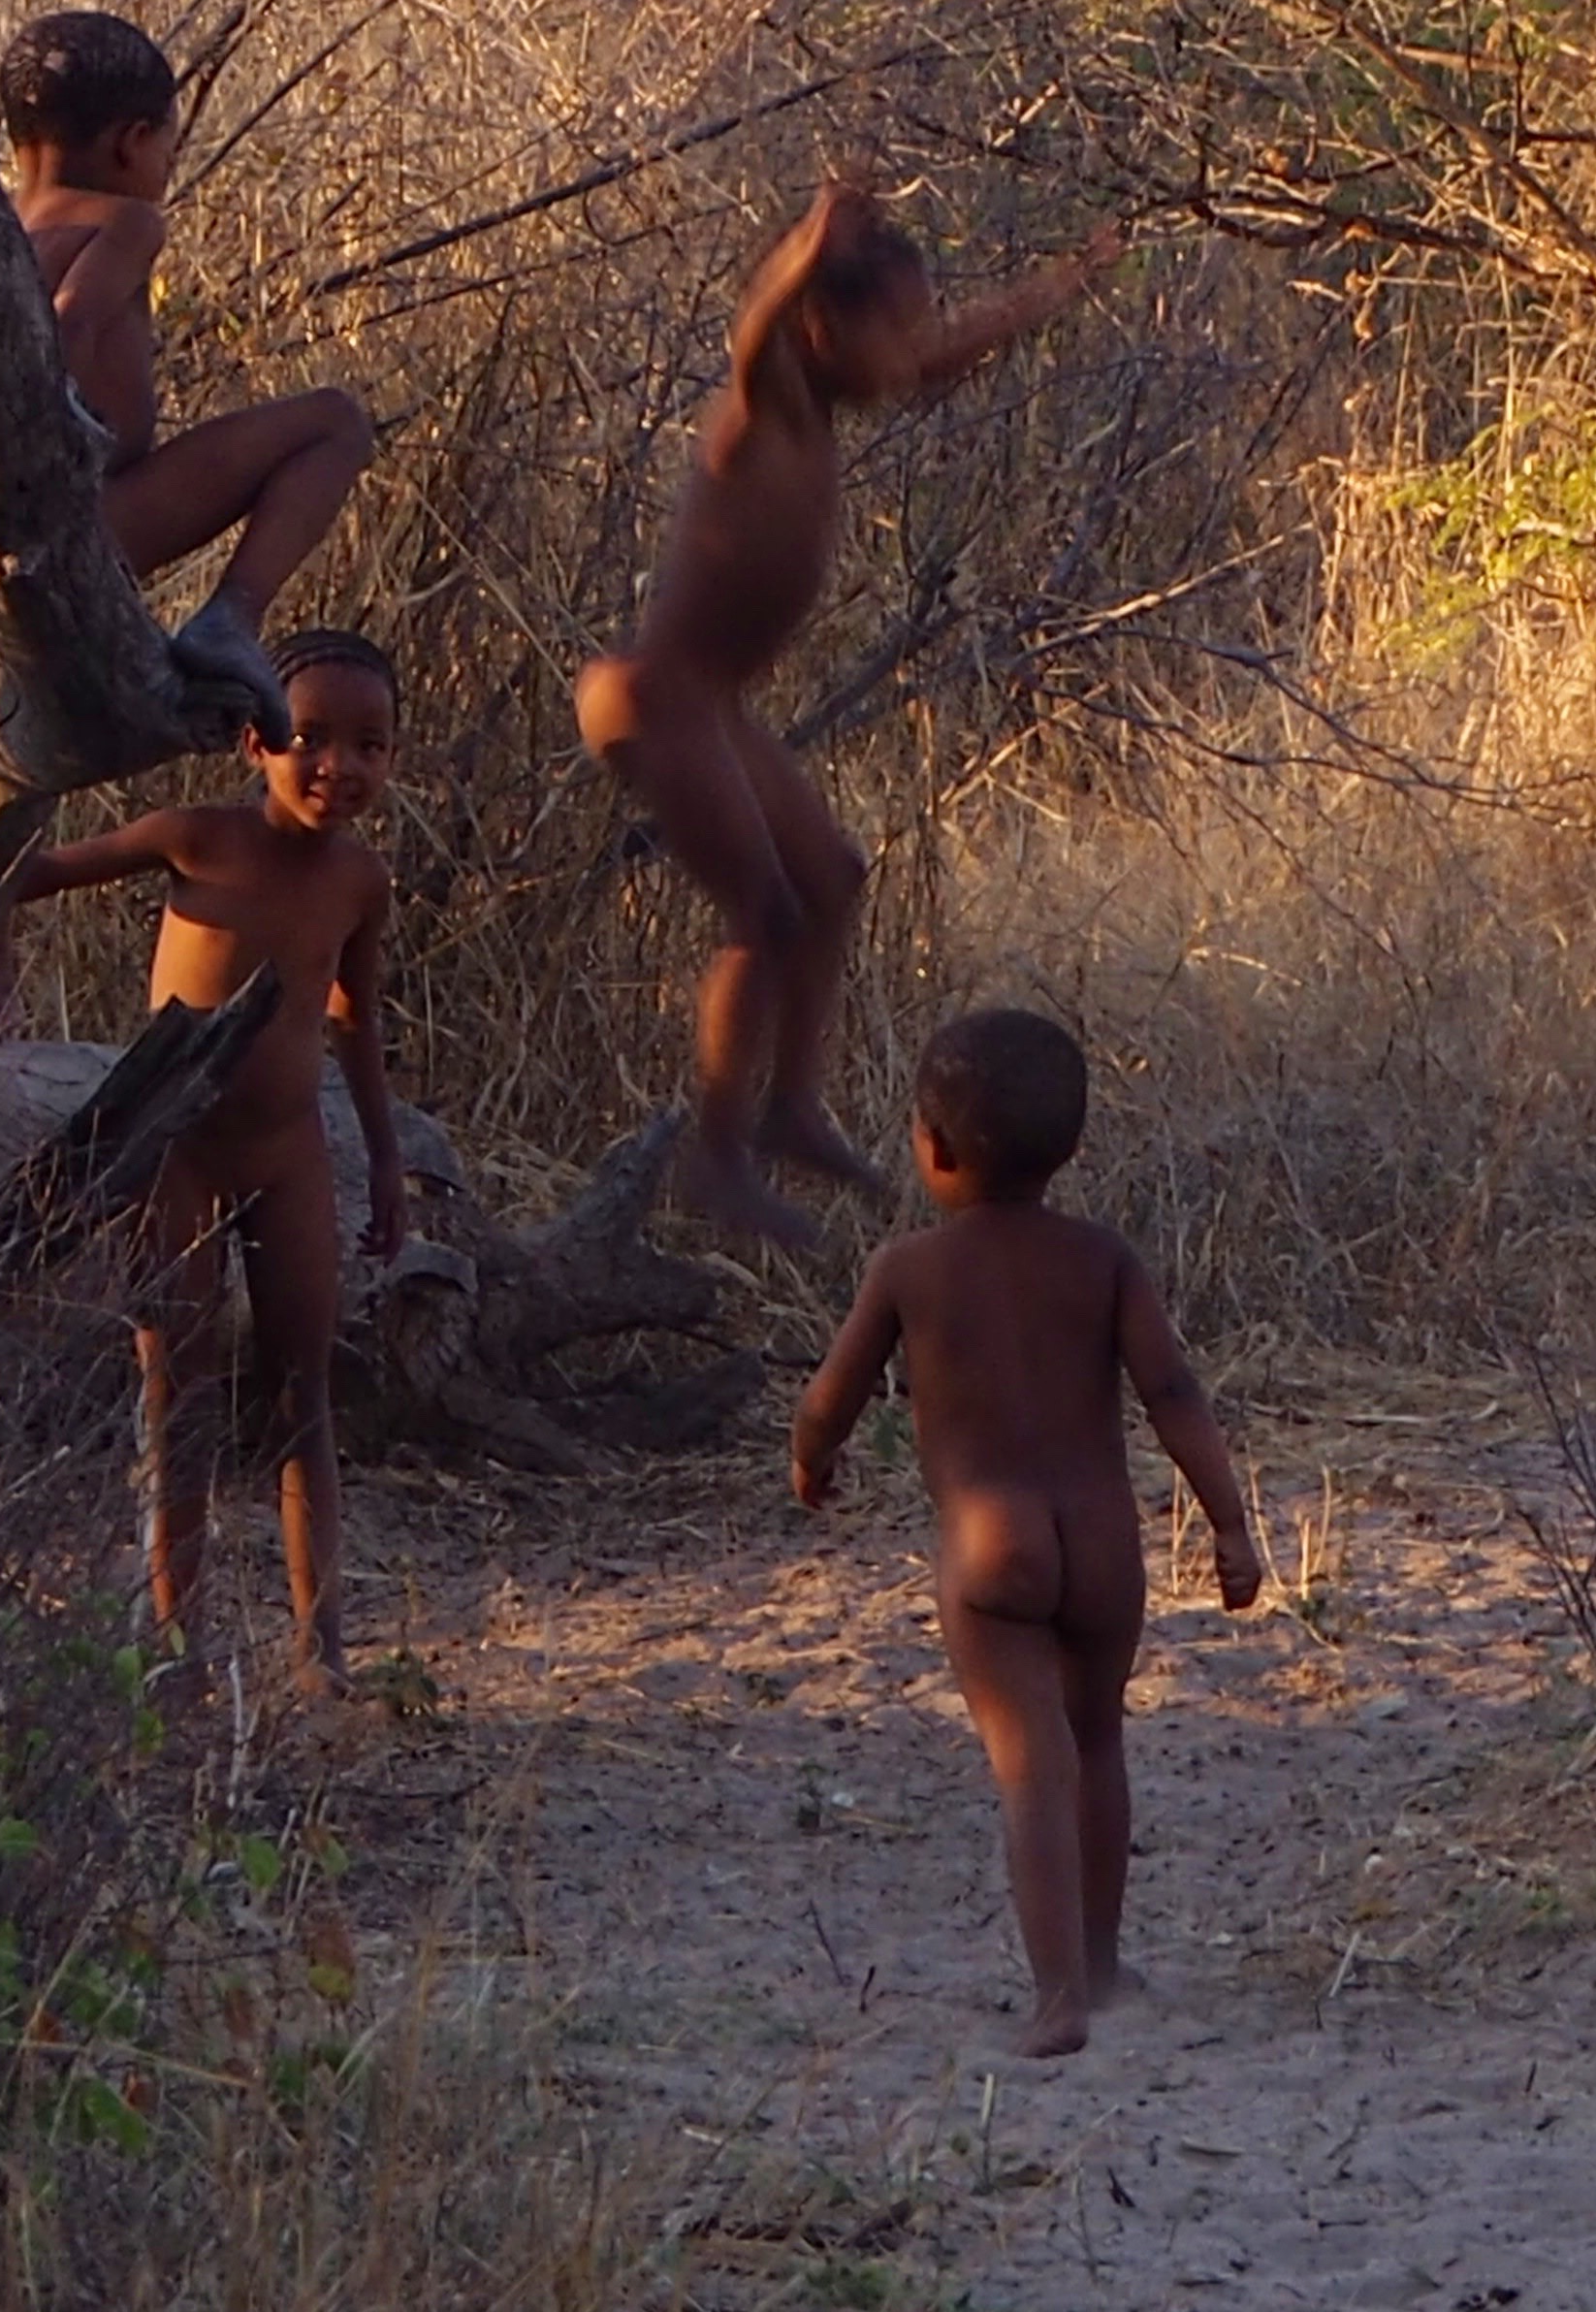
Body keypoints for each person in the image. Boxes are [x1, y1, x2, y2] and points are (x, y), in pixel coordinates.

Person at [573, 178, 1115, 1247]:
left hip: (712, 706)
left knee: (832, 880)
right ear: (822, 327)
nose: (912, 355)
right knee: (767, 911)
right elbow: (752, 325)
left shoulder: (826, 406)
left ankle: (789, 1109)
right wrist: (805, 240)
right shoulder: (763, 402)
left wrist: (1053, 293)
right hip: (654, 693)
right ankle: (716, 1155)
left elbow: (939, 357)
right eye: (895, 329)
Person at [789, 1008, 1261, 2059]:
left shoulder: (908, 1270)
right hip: (1102, 1541)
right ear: (1071, 1145)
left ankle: (1052, 1999)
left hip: (988, 1542)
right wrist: (1229, 1523)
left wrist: (811, 1460)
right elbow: (1173, 1392)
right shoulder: (1103, 1262)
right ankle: (1097, 1964)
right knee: (1095, 1740)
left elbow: (831, 1397)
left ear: (933, 1147)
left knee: (1027, 1762)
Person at [13, 628, 412, 1701]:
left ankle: (319, 1651)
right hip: (176, 1153)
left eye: (370, 745)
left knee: (302, 1393)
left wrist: (383, 1161)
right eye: (312, 738)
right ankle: (172, 1641)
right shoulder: (196, 838)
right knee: (174, 1389)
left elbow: (355, 1026)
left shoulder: (359, 882)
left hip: (288, 1155)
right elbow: (32, 874)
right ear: (253, 739)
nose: (341, 767)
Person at [0, 10, 371, 717]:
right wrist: (43, 462)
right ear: (134, 143)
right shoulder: (121, 221)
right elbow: (68, 323)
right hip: (4, 553)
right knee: (335, 423)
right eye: (169, 145)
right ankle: (232, 618)